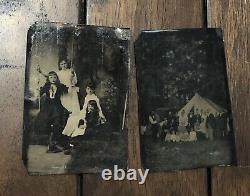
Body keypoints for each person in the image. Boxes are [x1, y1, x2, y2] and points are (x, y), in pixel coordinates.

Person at [34, 71, 69, 153]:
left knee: (58, 122)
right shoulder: (46, 86)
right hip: (48, 106)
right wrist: (37, 86)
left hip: (57, 105)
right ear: (48, 79)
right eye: (51, 77)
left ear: (57, 78)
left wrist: (71, 83)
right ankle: (51, 144)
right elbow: (39, 93)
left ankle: (55, 143)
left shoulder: (60, 86)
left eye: (54, 77)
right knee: (46, 122)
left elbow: (67, 91)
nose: (53, 79)